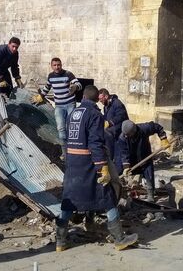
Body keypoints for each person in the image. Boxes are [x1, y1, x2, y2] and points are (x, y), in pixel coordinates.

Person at [55, 85, 137, 253]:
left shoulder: (73, 114)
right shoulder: (95, 115)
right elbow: (95, 143)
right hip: (89, 164)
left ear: (83, 97)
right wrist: (102, 167)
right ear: (95, 100)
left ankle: (60, 242)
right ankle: (119, 239)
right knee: (107, 198)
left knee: (68, 201)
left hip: (72, 164)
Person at [31, 57, 82, 160]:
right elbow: (47, 88)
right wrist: (41, 96)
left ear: (61, 65)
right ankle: (65, 153)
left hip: (70, 104)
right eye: (54, 65)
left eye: (58, 65)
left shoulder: (68, 74)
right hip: (59, 106)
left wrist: (75, 87)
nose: (57, 67)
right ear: (51, 66)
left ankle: (75, 150)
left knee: (72, 126)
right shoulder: (50, 76)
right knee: (61, 128)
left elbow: (79, 84)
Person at [117, 120, 170, 201]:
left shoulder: (144, 128)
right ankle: (121, 191)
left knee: (149, 175)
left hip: (145, 156)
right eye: (125, 135)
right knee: (120, 171)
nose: (126, 136)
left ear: (133, 131)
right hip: (132, 159)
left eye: (128, 134)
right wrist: (126, 166)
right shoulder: (122, 138)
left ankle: (150, 194)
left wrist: (163, 138)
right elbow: (124, 153)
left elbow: (157, 127)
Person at [98, 88, 129, 162]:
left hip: (120, 130)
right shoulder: (105, 106)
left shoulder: (117, 103)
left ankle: (110, 160)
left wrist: (110, 122)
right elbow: (106, 117)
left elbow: (121, 116)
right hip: (112, 131)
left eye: (101, 99)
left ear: (106, 96)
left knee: (107, 135)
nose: (100, 101)